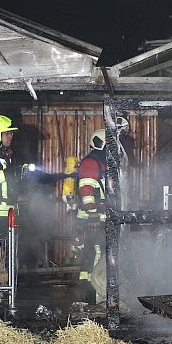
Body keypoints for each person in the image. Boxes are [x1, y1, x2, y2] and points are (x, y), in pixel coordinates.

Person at [76, 128, 107, 304]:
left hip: (101, 217)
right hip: (94, 218)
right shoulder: (91, 163)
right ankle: (91, 294)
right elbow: (86, 189)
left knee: (98, 254)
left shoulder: (102, 163)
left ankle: (95, 293)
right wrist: (93, 212)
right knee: (94, 254)